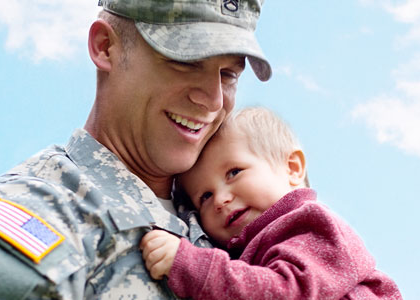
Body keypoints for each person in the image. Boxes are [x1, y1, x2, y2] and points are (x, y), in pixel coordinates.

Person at [0, 0, 271, 298]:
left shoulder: (230, 217)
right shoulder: (41, 215)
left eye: (229, 74)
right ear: (105, 47)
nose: (212, 99)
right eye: (186, 61)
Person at [140, 107, 403, 299]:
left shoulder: (311, 225)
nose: (220, 200)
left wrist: (190, 265)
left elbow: (285, 292)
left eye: (234, 172)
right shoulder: (246, 249)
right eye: (205, 197)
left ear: (292, 168)